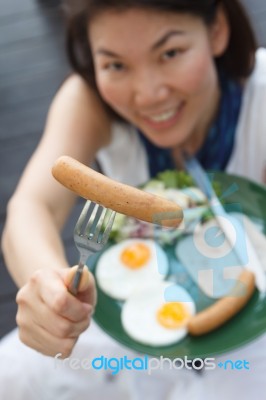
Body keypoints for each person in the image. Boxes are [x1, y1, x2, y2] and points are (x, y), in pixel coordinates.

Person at [1, 0, 266, 398]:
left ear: (216, 31)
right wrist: (51, 294)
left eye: (170, 53)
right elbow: (30, 207)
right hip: (132, 314)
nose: (148, 94)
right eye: (116, 65)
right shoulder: (89, 101)